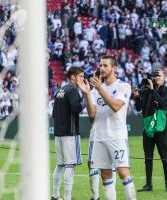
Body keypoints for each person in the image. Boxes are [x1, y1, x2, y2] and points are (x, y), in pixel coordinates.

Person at [78, 55, 136, 200]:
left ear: (114, 68)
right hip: (99, 136)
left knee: (123, 172)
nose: (101, 68)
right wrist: (87, 94)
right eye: (100, 65)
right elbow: (92, 115)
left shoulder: (123, 86)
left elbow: (116, 106)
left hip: (117, 136)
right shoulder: (95, 90)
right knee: (105, 174)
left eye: (105, 65)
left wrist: (100, 89)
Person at [133, 68, 167, 192]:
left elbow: (162, 103)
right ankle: (148, 185)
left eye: (159, 75)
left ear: (164, 77)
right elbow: (139, 108)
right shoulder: (145, 90)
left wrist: (151, 90)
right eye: (155, 75)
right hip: (148, 128)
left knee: (164, 157)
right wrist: (137, 97)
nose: (156, 78)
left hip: (161, 129)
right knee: (148, 158)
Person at [51, 67, 85, 200]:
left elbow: (54, 113)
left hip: (59, 133)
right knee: (70, 166)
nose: (82, 78)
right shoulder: (73, 90)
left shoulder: (61, 90)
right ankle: (67, 197)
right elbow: (76, 108)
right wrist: (85, 100)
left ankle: (55, 195)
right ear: (73, 77)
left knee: (59, 165)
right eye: (80, 76)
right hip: (70, 134)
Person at [87, 71, 117, 200]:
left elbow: (92, 117)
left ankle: (95, 197)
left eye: (95, 76)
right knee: (112, 166)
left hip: (97, 133)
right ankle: (109, 195)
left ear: (99, 77)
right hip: (113, 133)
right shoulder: (113, 90)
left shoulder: (93, 92)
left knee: (93, 164)